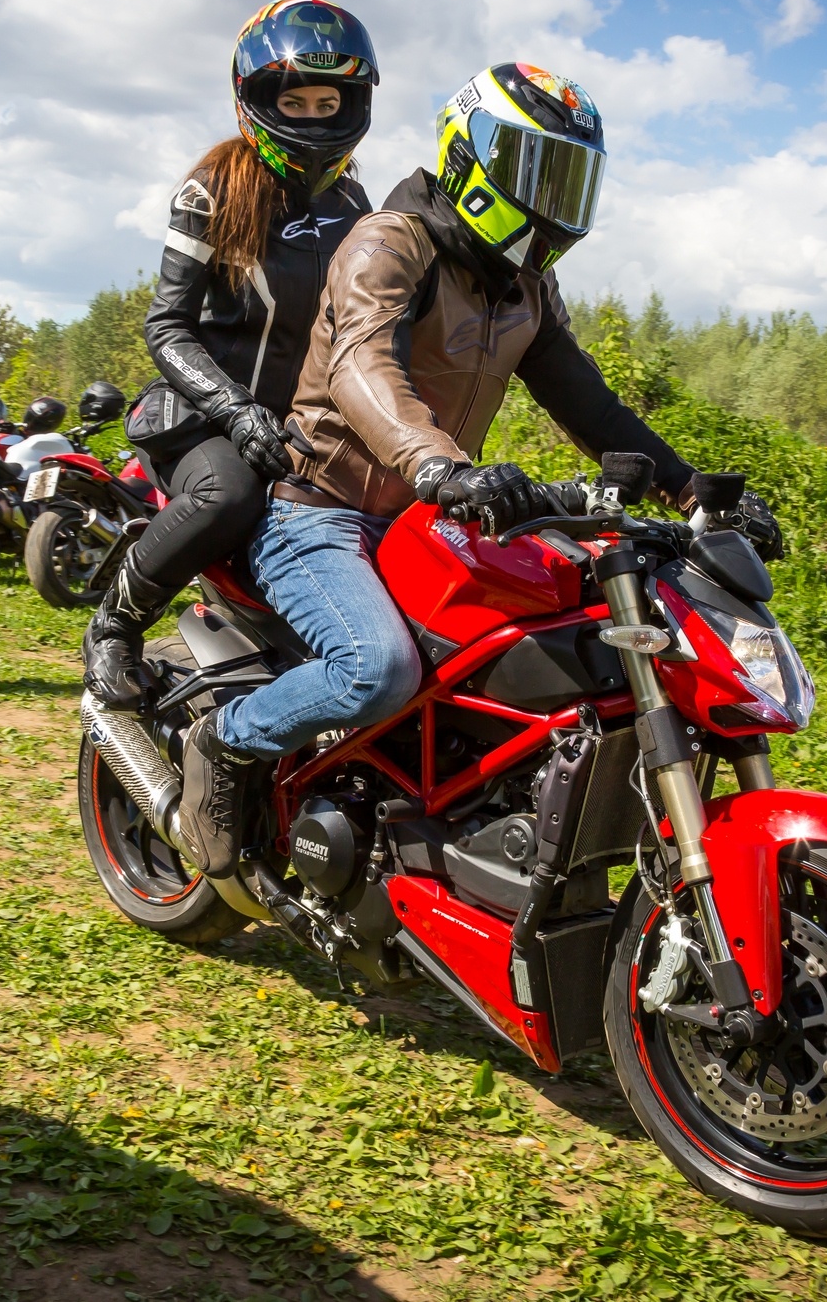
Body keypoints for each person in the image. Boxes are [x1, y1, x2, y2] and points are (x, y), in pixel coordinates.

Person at [173, 63, 718, 875]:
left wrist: (690, 487)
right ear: (471, 159)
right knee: (378, 670)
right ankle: (223, 740)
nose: (554, 199)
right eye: (537, 172)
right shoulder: (390, 243)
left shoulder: (525, 284)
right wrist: (441, 466)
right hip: (319, 511)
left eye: (569, 178)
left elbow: (589, 402)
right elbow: (363, 367)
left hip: (428, 518)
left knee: (546, 647)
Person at [80, 0, 379, 708]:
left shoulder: (356, 206)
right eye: (295, 100)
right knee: (230, 493)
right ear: (259, 99)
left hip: (299, 428)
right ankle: (114, 626)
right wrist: (237, 411)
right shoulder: (213, 188)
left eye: (328, 101)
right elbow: (167, 325)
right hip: (203, 419)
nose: (312, 116)